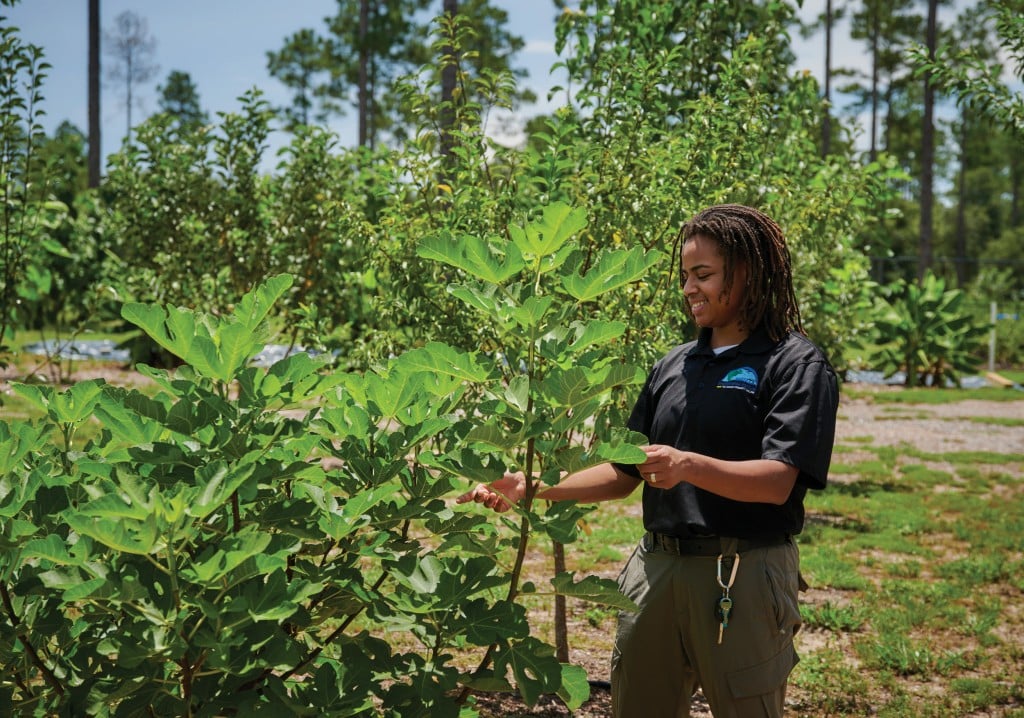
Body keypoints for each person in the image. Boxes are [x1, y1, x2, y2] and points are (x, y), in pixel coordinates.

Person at [456, 203, 839, 718]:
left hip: (742, 574)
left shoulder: (794, 364)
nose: (688, 288)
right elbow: (623, 472)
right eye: (684, 276)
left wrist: (688, 466)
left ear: (747, 273)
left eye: (703, 275)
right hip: (656, 570)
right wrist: (531, 485)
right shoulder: (673, 366)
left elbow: (778, 481)